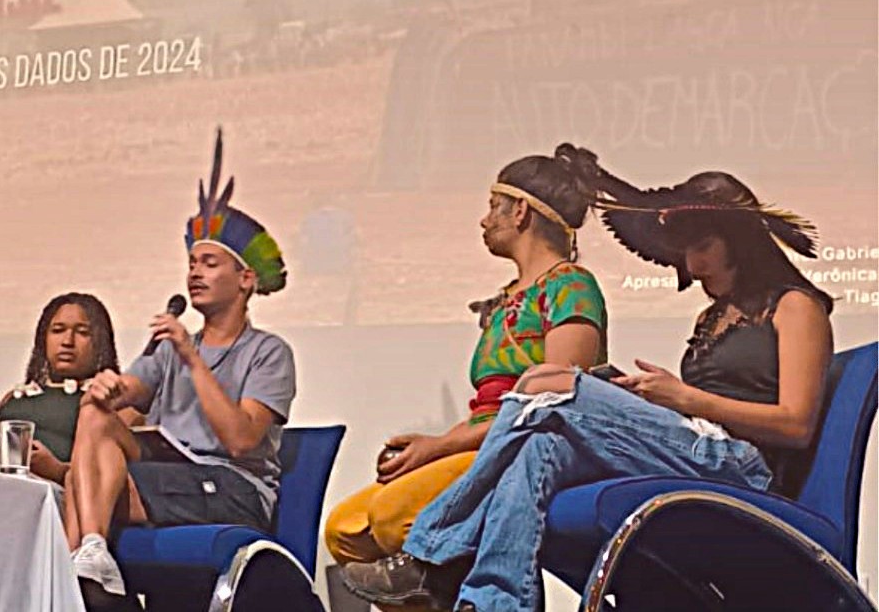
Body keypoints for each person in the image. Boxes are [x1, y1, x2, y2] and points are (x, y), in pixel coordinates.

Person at [342, 161, 834, 612]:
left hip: (747, 469)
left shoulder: (795, 306)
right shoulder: (712, 318)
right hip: (699, 446)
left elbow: (796, 424)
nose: (692, 263)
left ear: (739, 242)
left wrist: (683, 397)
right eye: (686, 250)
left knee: (545, 385)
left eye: (702, 246)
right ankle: (495, 603)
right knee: (543, 444)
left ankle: (432, 557)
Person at [325, 146, 609, 587]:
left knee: (391, 517)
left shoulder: (572, 286)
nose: (484, 219)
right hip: (484, 441)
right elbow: (488, 408)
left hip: (524, 451)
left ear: (521, 212)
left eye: (494, 207)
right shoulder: (506, 299)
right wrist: (439, 443)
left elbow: (555, 402)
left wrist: (440, 448)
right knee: (345, 529)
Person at [62, 129, 296, 597]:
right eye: (191, 264)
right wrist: (108, 388)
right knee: (93, 415)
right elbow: (127, 393)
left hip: (232, 487)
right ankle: (85, 555)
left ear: (246, 279)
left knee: (81, 487)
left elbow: (240, 439)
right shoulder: (169, 348)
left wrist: (192, 358)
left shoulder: (268, 352)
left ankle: (68, 583)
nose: (194, 273)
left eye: (209, 263)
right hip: (172, 473)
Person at [0, 292, 122, 484]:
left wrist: (58, 471)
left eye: (82, 332)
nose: (67, 342)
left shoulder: (115, 402)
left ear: (100, 343)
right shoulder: (14, 397)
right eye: (57, 330)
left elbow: (121, 481)